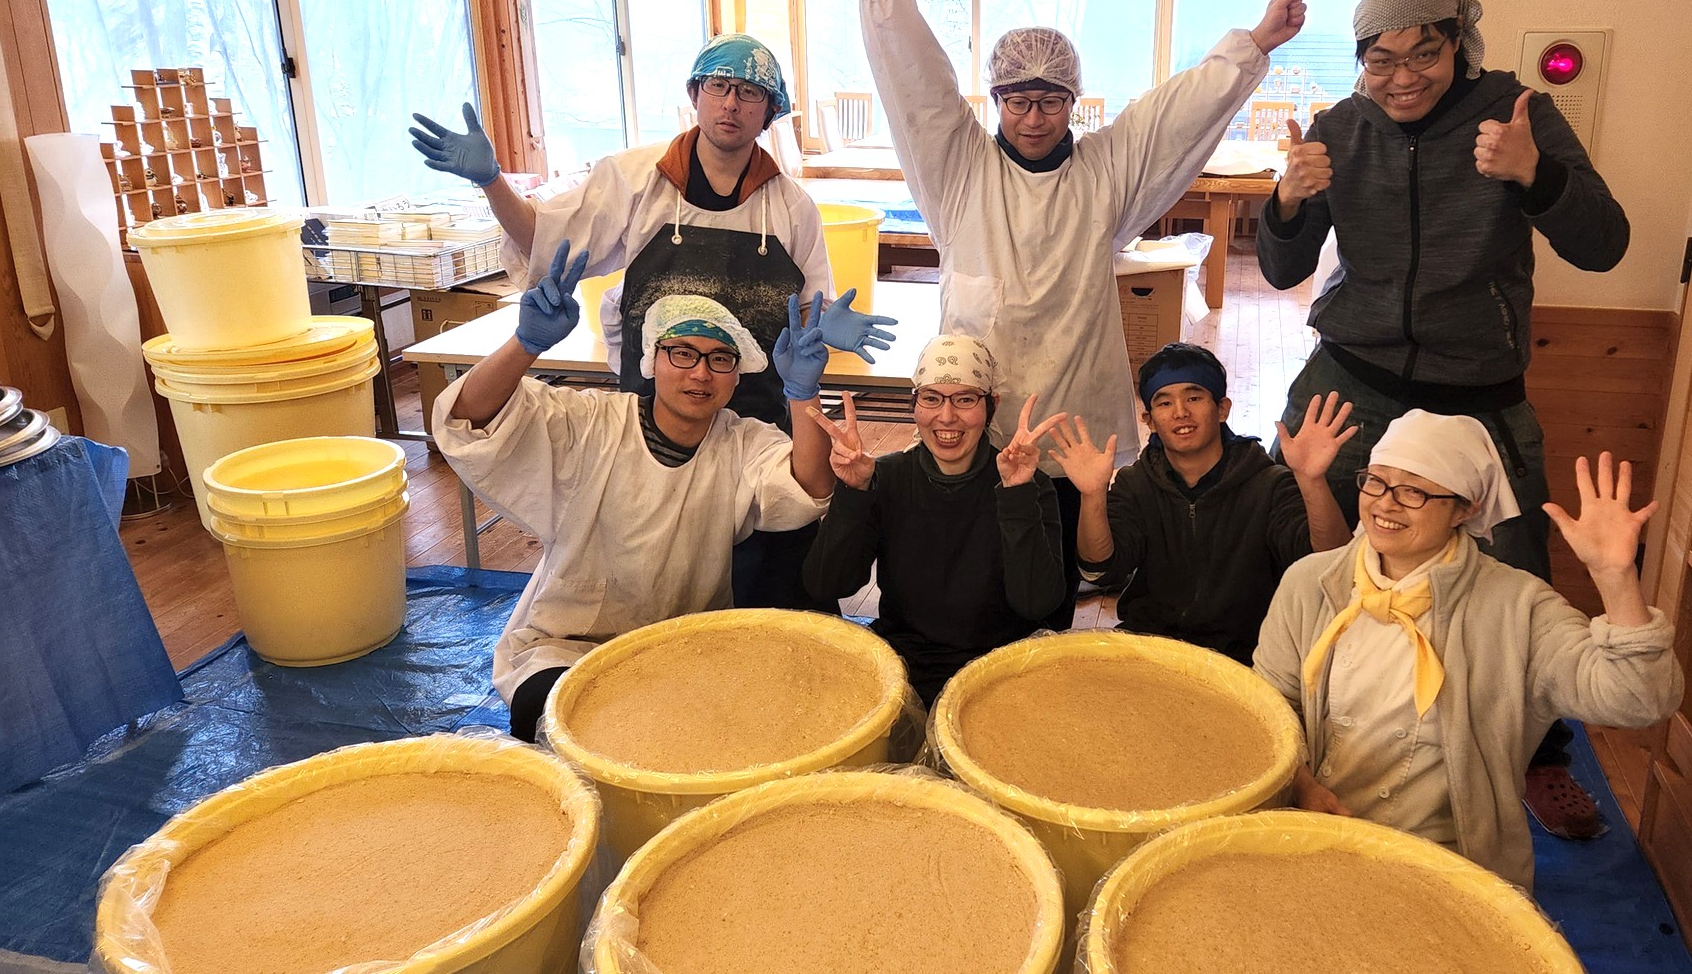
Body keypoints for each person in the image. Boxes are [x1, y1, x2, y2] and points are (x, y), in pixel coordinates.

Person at [1255, 0, 1631, 838]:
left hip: (1478, 395)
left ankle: (1536, 755)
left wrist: (1535, 175)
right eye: (1379, 59)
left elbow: (1605, 244)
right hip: (1353, 380)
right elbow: (1280, 268)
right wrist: (1287, 201)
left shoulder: (1517, 113)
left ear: (1460, 41)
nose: (1402, 77)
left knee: (1512, 580)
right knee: (1296, 553)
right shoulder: (1340, 129)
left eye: (1423, 52)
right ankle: (1286, 736)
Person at [840, 0, 1305, 588]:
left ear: (1074, 102)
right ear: (996, 100)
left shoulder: (1102, 170)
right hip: (970, 409)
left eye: (1051, 102)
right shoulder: (959, 169)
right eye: (1017, 102)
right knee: (972, 555)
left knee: (1053, 557)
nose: (1033, 118)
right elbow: (920, 91)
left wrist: (1255, 43)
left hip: (1073, 401)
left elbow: (1172, 115)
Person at [412, 33, 894, 611]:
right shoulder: (635, 179)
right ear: (695, 94)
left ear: (770, 111)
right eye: (718, 86)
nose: (731, 103)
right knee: (653, 574)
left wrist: (824, 326)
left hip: (756, 424)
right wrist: (492, 182)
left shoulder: (791, 207)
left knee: (773, 581)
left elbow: (807, 314)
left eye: (749, 93)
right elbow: (545, 240)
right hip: (651, 424)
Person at [1252, 411, 1680, 889]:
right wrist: (1302, 786)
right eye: (1376, 481)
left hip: (1448, 871)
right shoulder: (1311, 583)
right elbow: (1267, 709)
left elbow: (1639, 700)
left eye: (1413, 491)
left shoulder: (1516, 607)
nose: (1384, 503)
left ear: (1466, 509)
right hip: (1310, 841)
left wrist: (1615, 577)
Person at [434, 242, 840, 740]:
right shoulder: (591, 423)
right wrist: (525, 344)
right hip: (565, 644)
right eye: (683, 353)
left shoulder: (743, 443)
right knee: (558, 718)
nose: (700, 373)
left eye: (720, 358)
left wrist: (803, 394)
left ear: (737, 376)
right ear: (652, 358)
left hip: (686, 646)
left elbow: (809, 488)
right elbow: (469, 420)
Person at [1046, 342, 1356, 664]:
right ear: (1149, 420)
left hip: (1247, 655)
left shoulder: (1269, 484)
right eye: (1164, 402)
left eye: (1194, 398)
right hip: (1152, 646)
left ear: (1222, 409)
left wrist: (1311, 480)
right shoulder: (1136, 484)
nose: (1180, 412)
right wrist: (1093, 495)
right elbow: (1100, 571)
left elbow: (1331, 567)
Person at [803, 335, 1068, 706]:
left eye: (965, 399)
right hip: (904, 667)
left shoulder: (1028, 484)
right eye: (931, 398)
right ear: (914, 404)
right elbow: (826, 584)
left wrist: (1016, 494)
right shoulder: (885, 478)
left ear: (991, 406)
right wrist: (853, 493)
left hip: (1001, 670)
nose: (946, 416)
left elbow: (1036, 604)